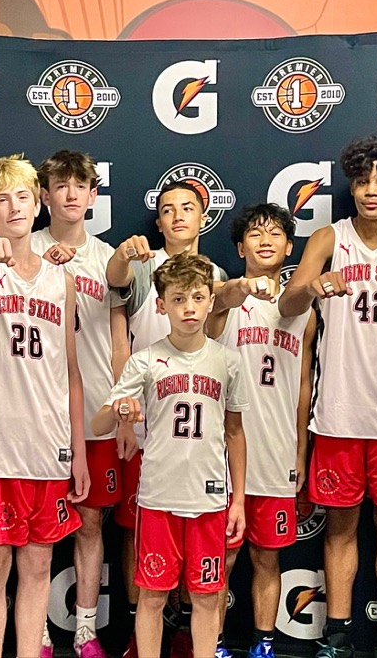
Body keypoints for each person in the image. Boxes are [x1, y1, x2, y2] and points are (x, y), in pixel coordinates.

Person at [278, 136, 377, 658]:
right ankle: (338, 636)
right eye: (363, 181)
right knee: (339, 530)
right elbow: (286, 305)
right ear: (351, 186)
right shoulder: (329, 237)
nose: (372, 191)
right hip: (339, 413)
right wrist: (312, 287)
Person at [0, 154, 89, 658]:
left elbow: (70, 370)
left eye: (23, 197)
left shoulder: (62, 279)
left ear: (38, 204)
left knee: (37, 566)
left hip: (48, 447)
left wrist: (78, 451)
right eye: (1, 199)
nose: (13, 207)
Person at [93, 252, 248, 658]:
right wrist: (119, 410)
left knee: (207, 596)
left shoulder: (228, 361)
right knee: (152, 596)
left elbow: (235, 433)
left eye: (197, 298)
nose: (189, 308)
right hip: (158, 497)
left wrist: (238, 501)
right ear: (161, 305)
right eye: (178, 299)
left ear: (211, 302)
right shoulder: (145, 360)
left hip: (209, 499)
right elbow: (99, 423)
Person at [105, 181, 228, 657]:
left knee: (198, 543)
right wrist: (124, 419)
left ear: (203, 217)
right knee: (139, 529)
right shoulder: (142, 265)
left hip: (196, 422)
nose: (178, 216)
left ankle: (187, 633)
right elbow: (116, 292)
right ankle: (140, 633)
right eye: (168, 209)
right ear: (157, 222)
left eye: (188, 207)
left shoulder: (214, 275)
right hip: (146, 420)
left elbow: (219, 343)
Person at [31, 150, 130, 658]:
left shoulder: (107, 257)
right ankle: (37, 632)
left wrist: (123, 409)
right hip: (38, 416)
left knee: (90, 525)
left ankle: (86, 631)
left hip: (93, 414)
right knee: (38, 534)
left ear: (93, 195)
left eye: (80, 186)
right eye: (60, 185)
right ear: (44, 195)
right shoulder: (24, 247)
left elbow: (118, 341)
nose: (71, 194)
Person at [207, 203, 315, 658]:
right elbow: (221, 298)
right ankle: (212, 644)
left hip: (276, 452)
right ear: (239, 248)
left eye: (275, 234)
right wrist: (243, 288)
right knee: (221, 558)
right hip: (224, 455)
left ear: (289, 247)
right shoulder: (222, 299)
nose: (265, 240)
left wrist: (301, 452)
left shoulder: (303, 310)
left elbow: (304, 385)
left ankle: (264, 644)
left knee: (267, 557)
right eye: (254, 233)